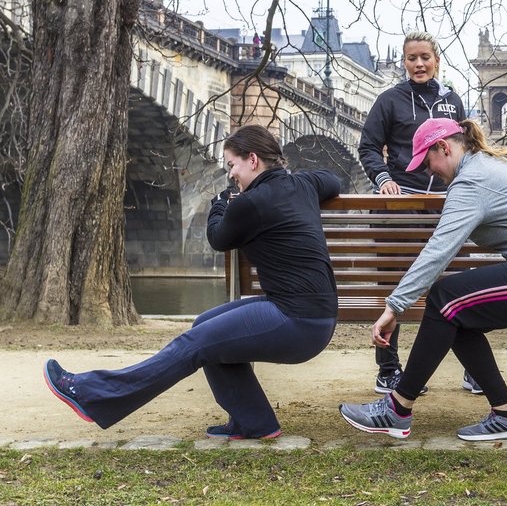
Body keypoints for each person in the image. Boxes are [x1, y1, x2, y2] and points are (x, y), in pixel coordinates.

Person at [43, 125, 341, 440]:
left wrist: (220, 203)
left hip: (296, 320)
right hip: (314, 315)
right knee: (203, 325)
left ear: (252, 159)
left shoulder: (249, 203)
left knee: (194, 344)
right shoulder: (304, 184)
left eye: (232, 165)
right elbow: (331, 180)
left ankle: (93, 395)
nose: (231, 175)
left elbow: (217, 237)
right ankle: (254, 422)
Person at [340, 118, 507, 440]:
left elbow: (438, 251)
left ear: (444, 147)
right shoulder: (494, 163)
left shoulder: (472, 181)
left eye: (428, 162)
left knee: (444, 299)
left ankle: (397, 409)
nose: (429, 171)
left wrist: (394, 307)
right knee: (453, 312)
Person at [357, 31, 470, 396]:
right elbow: (369, 147)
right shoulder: (389, 100)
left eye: (425, 57)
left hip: (445, 205)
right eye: (411, 58)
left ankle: (472, 368)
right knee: (394, 285)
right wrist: (383, 177)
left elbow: (465, 151)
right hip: (400, 203)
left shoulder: (452, 101)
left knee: (453, 288)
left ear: (437, 60)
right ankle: (388, 369)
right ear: (404, 63)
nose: (418, 64)